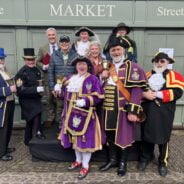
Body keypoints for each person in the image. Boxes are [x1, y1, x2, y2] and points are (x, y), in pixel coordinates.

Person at [99, 37, 147, 176]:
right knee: (110, 134)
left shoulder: (133, 67)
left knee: (124, 135)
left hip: (123, 108)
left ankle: (122, 163)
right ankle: (113, 160)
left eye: (118, 49)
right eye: (113, 50)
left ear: (124, 50)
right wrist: (102, 77)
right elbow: (100, 87)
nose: (115, 52)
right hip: (108, 108)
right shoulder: (107, 67)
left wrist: (133, 110)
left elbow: (137, 90)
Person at [138, 52, 184, 177]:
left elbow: (178, 92)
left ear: (168, 62)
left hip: (165, 111)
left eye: (162, 61)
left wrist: (159, 94)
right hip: (148, 109)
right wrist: (144, 94)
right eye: (157, 61)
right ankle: (146, 157)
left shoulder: (175, 76)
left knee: (163, 137)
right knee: (146, 134)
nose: (159, 63)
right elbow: (139, 90)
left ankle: (163, 162)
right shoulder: (146, 75)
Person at [60, 56, 104, 179]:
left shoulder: (93, 79)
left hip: (86, 116)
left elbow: (98, 97)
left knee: (85, 140)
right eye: (79, 64)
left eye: (84, 64)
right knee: (75, 139)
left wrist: (85, 101)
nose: (81, 66)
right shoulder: (69, 78)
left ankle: (85, 165)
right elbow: (63, 96)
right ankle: (78, 161)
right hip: (70, 115)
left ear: (87, 66)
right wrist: (59, 90)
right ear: (76, 66)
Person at [15, 48, 45, 146]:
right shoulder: (21, 73)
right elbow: (20, 91)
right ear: (25, 60)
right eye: (28, 60)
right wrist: (36, 90)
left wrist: (40, 91)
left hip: (36, 99)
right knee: (35, 116)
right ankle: (37, 135)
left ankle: (27, 140)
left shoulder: (37, 70)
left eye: (32, 59)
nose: (31, 61)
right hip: (26, 101)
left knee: (30, 121)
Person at [36, 27, 59, 128]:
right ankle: (50, 118)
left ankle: (60, 119)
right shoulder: (43, 48)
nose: (51, 37)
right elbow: (37, 61)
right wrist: (44, 66)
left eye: (53, 34)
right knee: (49, 99)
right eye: (49, 35)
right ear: (47, 36)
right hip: (47, 77)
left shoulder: (62, 46)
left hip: (59, 78)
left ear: (56, 35)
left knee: (59, 99)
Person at [0, 48, 16, 161]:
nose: (2, 60)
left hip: (9, 102)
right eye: (0, 58)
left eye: (2, 58)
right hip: (2, 104)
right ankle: (1, 153)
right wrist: (9, 89)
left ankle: (5, 147)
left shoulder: (4, 70)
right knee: (3, 129)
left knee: (9, 127)